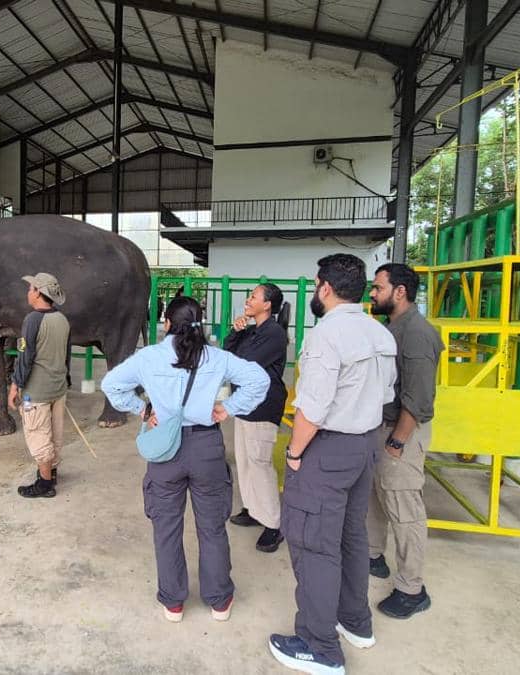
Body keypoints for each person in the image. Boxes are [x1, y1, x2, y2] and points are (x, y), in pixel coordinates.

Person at [102, 296, 269, 624]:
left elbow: (111, 385)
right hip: (206, 446)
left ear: (166, 323)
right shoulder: (217, 357)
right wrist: (228, 409)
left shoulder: (148, 357)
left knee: (166, 527)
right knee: (212, 527)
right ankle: (219, 601)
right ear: (200, 324)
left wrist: (143, 409)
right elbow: (259, 380)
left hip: (165, 448)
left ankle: (174, 603)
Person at [268, 253, 397, 674]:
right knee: (349, 537)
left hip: (327, 449)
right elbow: (386, 394)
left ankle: (318, 645)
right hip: (365, 446)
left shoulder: (327, 335)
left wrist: (294, 453)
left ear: (324, 287)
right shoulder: (380, 334)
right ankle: (355, 621)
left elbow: (312, 410)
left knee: (314, 544)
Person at [367, 263, 444, 619]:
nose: (372, 293)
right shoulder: (393, 327)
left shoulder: (416, 333)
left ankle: (412, 590)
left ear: (400, 291)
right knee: (379, 496)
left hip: (403, 431)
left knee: (403, 507)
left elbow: (418, 398)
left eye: (378, 287)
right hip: (386, 426)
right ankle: (373, 556)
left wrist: (397, 442)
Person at [223, 283, 290, 553]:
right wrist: (235, 331)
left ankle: (274, 525)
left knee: (260, 465)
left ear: (268, 305)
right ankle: (254, 509)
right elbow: (229, 355)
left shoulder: (273, 334)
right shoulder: (253, 330)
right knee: (245, 462)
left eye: (254, 297)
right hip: (245, 406)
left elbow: (244, 364)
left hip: (263, 408)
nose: (248, 301)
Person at [8, 273, 72, 499]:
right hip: (58, 388)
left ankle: (45, 484)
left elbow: (25, 357)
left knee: (38, 436)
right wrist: (66, 380)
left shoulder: (33, 320)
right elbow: (67, 355)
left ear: (38, 292)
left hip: (37, 391)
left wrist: (15, 385)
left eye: (31, 288)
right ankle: (51, 473)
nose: (28, 292)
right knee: (55, 433)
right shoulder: (62, 319)